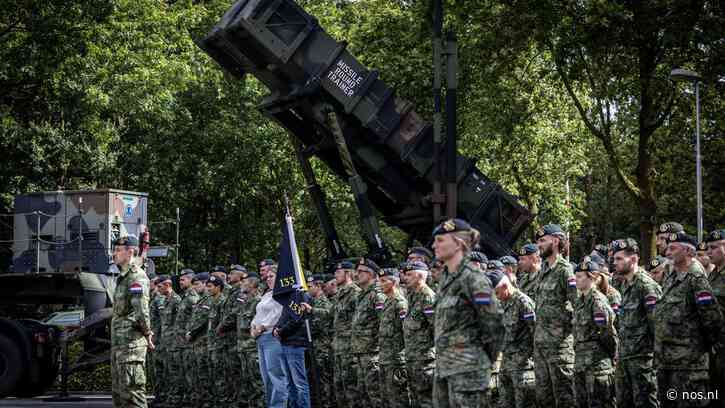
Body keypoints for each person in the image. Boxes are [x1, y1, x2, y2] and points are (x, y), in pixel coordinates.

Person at [431, 218, 502, 408]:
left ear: (458, 243)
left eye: (439, 240)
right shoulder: (445, 279)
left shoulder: (473, 278)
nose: (433, 245)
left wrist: (482, 359)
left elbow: (494, 323)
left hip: (469, 372)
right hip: (444, 369)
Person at [654, 231, 722, 408]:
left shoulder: (696, 279)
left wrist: (701, 352)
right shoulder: (671, 278)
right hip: (667, 363)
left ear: (688, 252)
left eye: (673, 248)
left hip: (689, 366)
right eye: (667, 248)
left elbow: (712, 320)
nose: (668, 253)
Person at [611, 238, 660, 408]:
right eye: (614, 258)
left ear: (633, 259)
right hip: (625, 358)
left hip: (642, 361)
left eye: (619, 259)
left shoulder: (646, 286)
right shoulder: (624, 285)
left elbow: (657, 326)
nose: (614, 263)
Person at [533, 224, 577, 408]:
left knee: (564, 398)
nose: (539, 245)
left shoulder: (564, 270)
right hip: (541, 345)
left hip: (559, 348)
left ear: (556, 241)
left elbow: (578, 306)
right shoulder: (542, 269)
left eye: (543, 240)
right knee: (543, 398)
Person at [110, 235, 153, 408]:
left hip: (131, 345)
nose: (114, 254)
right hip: (120, 345)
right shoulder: (122, 277)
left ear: (131, 252)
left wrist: (148, 333)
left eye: (118, 250)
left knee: (133, 394)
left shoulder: (136, 277)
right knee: (120, 395)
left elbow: (141, 311)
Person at [572, 261, 617, 408]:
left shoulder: (597, 301)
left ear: (591, 278)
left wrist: (610, 356)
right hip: (580, 362)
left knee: (599, 403)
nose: (576, 280)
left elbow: (608, 333)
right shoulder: (580, 301)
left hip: (597, 364)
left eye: (579, 276)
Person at [496, 272, 536, 408]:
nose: (496, 297)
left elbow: (535, 331)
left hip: (522, 364)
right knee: (505, 402)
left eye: (497, 292)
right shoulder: (503, 303)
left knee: (523, 402)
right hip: (507, 361)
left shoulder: (523, 302)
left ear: (505, 286)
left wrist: (529, 357)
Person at [351, 257, 387, 408]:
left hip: (373, 353)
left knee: (376, 395)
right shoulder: (362, 295)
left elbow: (384, 324)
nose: (356, 274)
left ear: (371, 274)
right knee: (364, 395)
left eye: (361, 271)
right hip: (361, 352)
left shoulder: (377, 295)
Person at [401, 261, 436, 408]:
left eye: (409, 275)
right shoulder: (413, 296)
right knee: (416, 400)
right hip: (413, 359)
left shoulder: (428, 297)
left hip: (425, 362)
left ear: (420, 276)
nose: (405, 278)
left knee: (426, 401)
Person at [251, 269, 288, 408]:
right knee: (266, 377)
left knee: (276, 375)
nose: (268, 279)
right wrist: (253, 327)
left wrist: (261, 327)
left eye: (272, 276)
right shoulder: (267, 294)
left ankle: (279, 406)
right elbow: (258, 314)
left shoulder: (283, 294)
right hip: (261, 338)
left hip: (272, 337)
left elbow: (277, 314)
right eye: (267, 277)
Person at [378, 267, 411, 408]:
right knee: (387, 398)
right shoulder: (387, 302)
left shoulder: (400, 303)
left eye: (384, 281)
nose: (380, 284)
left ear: (393, 283)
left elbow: (407, 331)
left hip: (396, 359)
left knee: (398, 398)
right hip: (386, 358)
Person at [217, 264, 247, 407]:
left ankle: (240, 401)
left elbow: (235, 313)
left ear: (242, 275)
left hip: (236, 337)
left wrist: (222, 326)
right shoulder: (231, 292)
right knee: (230, 372)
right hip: (227, 339)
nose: (229, 276)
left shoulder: (241, 292)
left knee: (237, 372)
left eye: (233, 273)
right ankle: (233, 400)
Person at [237, 273, 264, 408]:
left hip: (253, 349)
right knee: (247, 383)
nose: (241, 283)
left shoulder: (258, 302)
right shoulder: (245, 302)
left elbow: (260, 327)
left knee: (258, 384)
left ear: (252, 284)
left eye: (244, 281)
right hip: (243, 349)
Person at [186, 272, 213, 408]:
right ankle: (200, 400)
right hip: (196, 343)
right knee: (197, 373)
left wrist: (192, 332)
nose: (195, 287)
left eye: (197, 284)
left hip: (203, 342)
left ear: (205, 283)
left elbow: (203, 320)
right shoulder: (200, 299)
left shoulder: (208, 299)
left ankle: (207, 401)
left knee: (204, 374)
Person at [307, 274, 334, 408]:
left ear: (318, 286)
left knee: (324, 383)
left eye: (310, 286)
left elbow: (318, 327)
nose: (307, 289)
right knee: (315, 381)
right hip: (315, 349)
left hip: (322, 349)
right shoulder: (313, 302)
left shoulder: (323, 303)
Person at [705, 229, 725, 401]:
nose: (709, 252)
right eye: (708, 248)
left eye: (714, 247)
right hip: (714, 346)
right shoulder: (713, 274)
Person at [174, 269, 199, 406]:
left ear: (190, 280)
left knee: (190, 372)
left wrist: (190, 334)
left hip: (189, 342)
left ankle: (193, 400)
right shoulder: (184, 296)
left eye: (183, 279)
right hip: (180, 342)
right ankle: (186, 398)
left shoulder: (193, 297)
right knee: (183, 371)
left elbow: (196, 319)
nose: (180, 282)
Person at [157, 275, 180, 407]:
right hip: (166, 342)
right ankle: (169, 398)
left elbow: (180, 322)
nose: (158, 289)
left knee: (174, 371)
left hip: (174, 342)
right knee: (167, 371)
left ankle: (175, 399)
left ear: (167, 285)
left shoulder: (176, 300)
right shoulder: (166, 300)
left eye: (160, 287)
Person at [206, 275, 227, 406]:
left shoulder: (222, 301)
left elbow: (223, 323)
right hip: (211, 344)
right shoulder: (212, 301)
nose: (208, 289)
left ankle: (222, 402)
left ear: (218, 288)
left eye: (210, 287)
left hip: (219, 344)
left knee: (221, 375)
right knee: (212, 374)